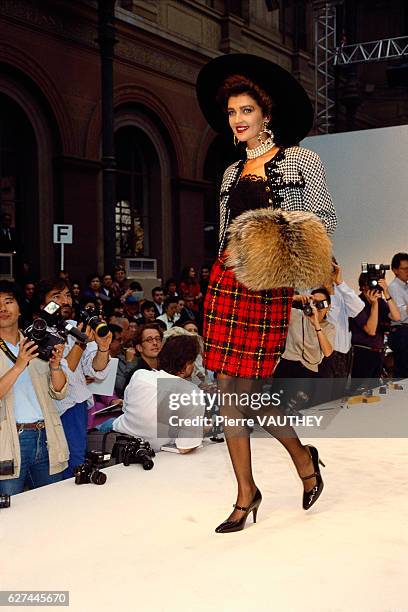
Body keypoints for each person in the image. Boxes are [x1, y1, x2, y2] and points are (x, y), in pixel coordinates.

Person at [196, 53, 337, 532]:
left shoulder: (300, 160)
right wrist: (229, 254)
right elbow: (222, 234)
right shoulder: (231, 172)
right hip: (225, 282)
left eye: (245, 111)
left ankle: (302, 458)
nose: (236, 120)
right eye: (232, 113)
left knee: (251, 390)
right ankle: (246, 492)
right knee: (226, 389)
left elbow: (323, 222)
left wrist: (269, 250)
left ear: (266, 114)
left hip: (266, 285)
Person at [34, 279, 112, 478]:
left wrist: (103, 347)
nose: (65, 301)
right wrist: (81, 343)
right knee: (57, 467)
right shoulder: (38, 332)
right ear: (43, 305)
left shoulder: (73, 327)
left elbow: (96, 369)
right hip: (52, 408)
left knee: (76, 462)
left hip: (75, 406)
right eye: (57, 296)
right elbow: (63, 371)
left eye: (67, 295)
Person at [0, 281, 68, 495]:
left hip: (45, 435)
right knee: (10, 515)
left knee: (53, 508)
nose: (2, 308)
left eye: (9, 302)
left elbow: (58, 391)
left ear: (20, 307)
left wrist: (56, 367)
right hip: (8, 441)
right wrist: (19, 365)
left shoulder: (36, 340)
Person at [111, 335, 204, 453]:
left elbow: (126, 409)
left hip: (119, 437)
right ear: (188, 364)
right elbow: (184, 447)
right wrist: (201, 430)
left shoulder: (140, 375)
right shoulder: (193, 393)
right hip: (150, 450)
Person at [349, 273, 400, 391]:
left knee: (374, 393)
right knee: (358, 394)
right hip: (362, 354)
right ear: (363, 286)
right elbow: (371, 330)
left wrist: (386, 293)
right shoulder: (356, 303)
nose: (374, 286)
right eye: (371, 283)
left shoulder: (381, 302)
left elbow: (397, 317)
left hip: (378, 354)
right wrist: (374, 304)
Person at [387, 252, 408, 378]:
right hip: (402, 333)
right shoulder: (394, 287)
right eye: (405, 269)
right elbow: (399, 315)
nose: (407, 271)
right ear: (395, 270)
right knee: (404, 374)